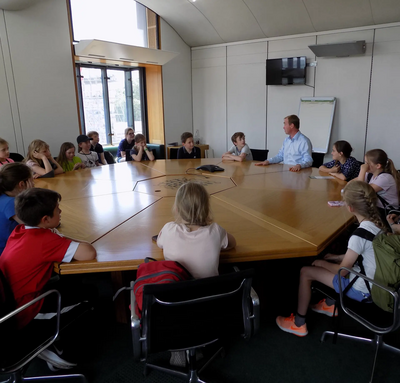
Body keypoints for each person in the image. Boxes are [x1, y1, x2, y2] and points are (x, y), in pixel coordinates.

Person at [276, 181, 385, 337]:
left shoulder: (358, 235)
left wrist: (322, 263)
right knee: (333, 259)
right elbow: (363, 255)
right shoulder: (378, 224)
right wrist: (337, 257)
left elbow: (342, 272)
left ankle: (298, 324)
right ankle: (328, 304)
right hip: (377, 282)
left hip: (362, 289)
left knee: (306, 272)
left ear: (350, 208)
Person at [0, 188, 97, 329]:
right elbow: (89, 253)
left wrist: (55, 235)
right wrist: (58, 237)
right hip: (26, 311)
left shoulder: (19, 230)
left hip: (11, 301)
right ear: (45, 219)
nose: (60, 212)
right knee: (91, 293)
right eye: (57, 209)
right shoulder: (44, 240)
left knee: (74, 285)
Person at [157, 182, 236, 279]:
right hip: (211, 293)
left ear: (177, 209)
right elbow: (232, 243)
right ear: (207, 209)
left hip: (176, 292)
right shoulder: (216, 231)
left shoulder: (168, 230)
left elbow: (160, 244)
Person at [0, 163, 34, 255]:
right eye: (32, 180)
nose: (34, 184)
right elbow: (36, 225)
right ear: (22, 184)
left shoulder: (3, 197)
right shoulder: (12, 203)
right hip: (6, 255)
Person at [356, 149, 400, 215]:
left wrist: (362, 170)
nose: (365, 166)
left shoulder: (385, 178)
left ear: (378, 166)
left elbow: (362, 191)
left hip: (388, 211)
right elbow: (354, 182)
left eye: (367, 163)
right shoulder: (371, 173)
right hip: (377, 207)